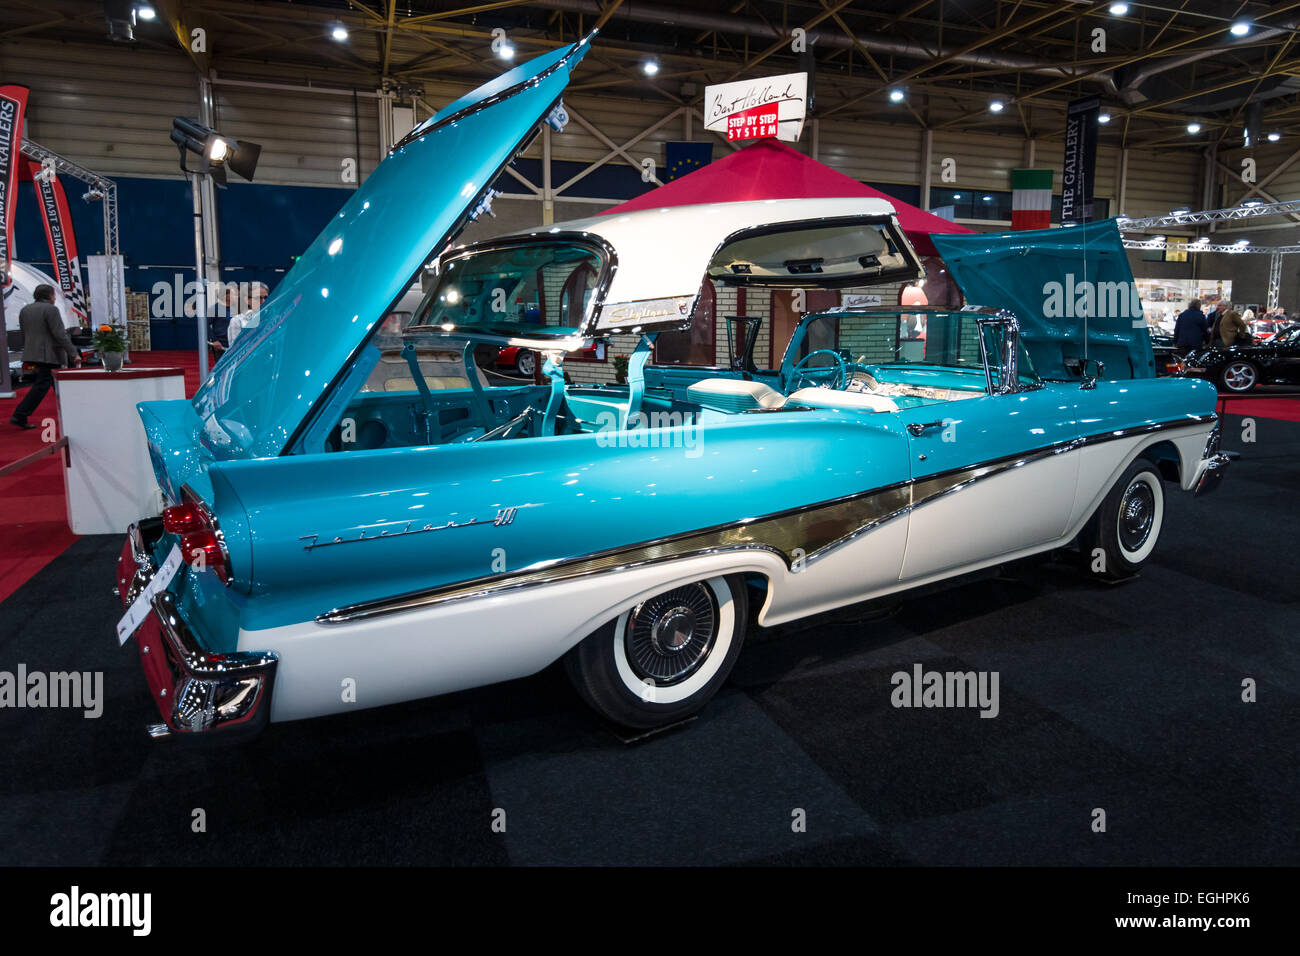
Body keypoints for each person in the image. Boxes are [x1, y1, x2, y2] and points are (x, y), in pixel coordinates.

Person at [10, 284, 81, 429]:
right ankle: (20, 414)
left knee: (52, 384)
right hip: (49, 354)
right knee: (43, 384)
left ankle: (71, 414)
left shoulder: (25, 310)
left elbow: (24, 333)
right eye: (54, 295)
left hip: (32, 352)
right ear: (50, 296)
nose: (54, 298)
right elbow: (59, 334)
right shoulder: (51, 310)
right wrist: (73, 353)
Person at [227, 281, 269, 348]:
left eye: (265, 298)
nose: (263, 301)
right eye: (258, 298)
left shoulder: (272, 317)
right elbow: (236, 349)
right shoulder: (237, 321)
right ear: (247, 300)